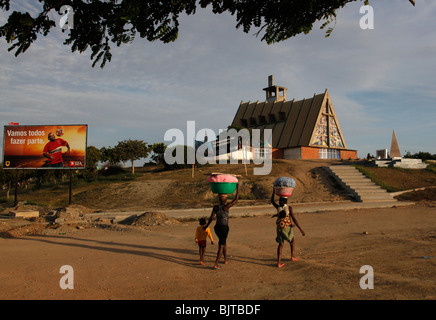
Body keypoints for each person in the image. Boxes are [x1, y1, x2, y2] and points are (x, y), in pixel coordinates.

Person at [204, 183, 239, 269]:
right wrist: (237, 189)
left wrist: (206, 226)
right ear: (226, 199)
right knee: (221, 245)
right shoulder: (226, 207)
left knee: (223, 242)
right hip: (224, 228)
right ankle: (216, 263)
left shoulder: (215, 207)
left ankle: (226, 259)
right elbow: (236, 199)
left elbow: (211, 218)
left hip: (217, 228)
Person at [271, 188, 305, 268]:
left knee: (280, 244)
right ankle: (292, 256)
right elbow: (293, 218)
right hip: (286, 228)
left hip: (279, 228)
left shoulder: (278, 207)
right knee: (292, 241)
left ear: (279, 201)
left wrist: (273, 192)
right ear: (286, 201)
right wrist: (300, 229)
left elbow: (272, 201)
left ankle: (279, 263)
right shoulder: (289, 208)